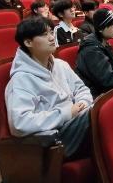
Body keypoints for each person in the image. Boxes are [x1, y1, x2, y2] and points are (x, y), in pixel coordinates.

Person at [5, 17, 93, 158]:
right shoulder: (21, 80)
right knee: (100, 117)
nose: (52, 38)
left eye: (51, 32)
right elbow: (20, 123)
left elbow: (81, 89)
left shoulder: (60, 65)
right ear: (28, 42)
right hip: (56, 138)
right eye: (44, 34)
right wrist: (66, 113)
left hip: (78, 119)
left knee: (108, 106)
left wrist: (83, 103)